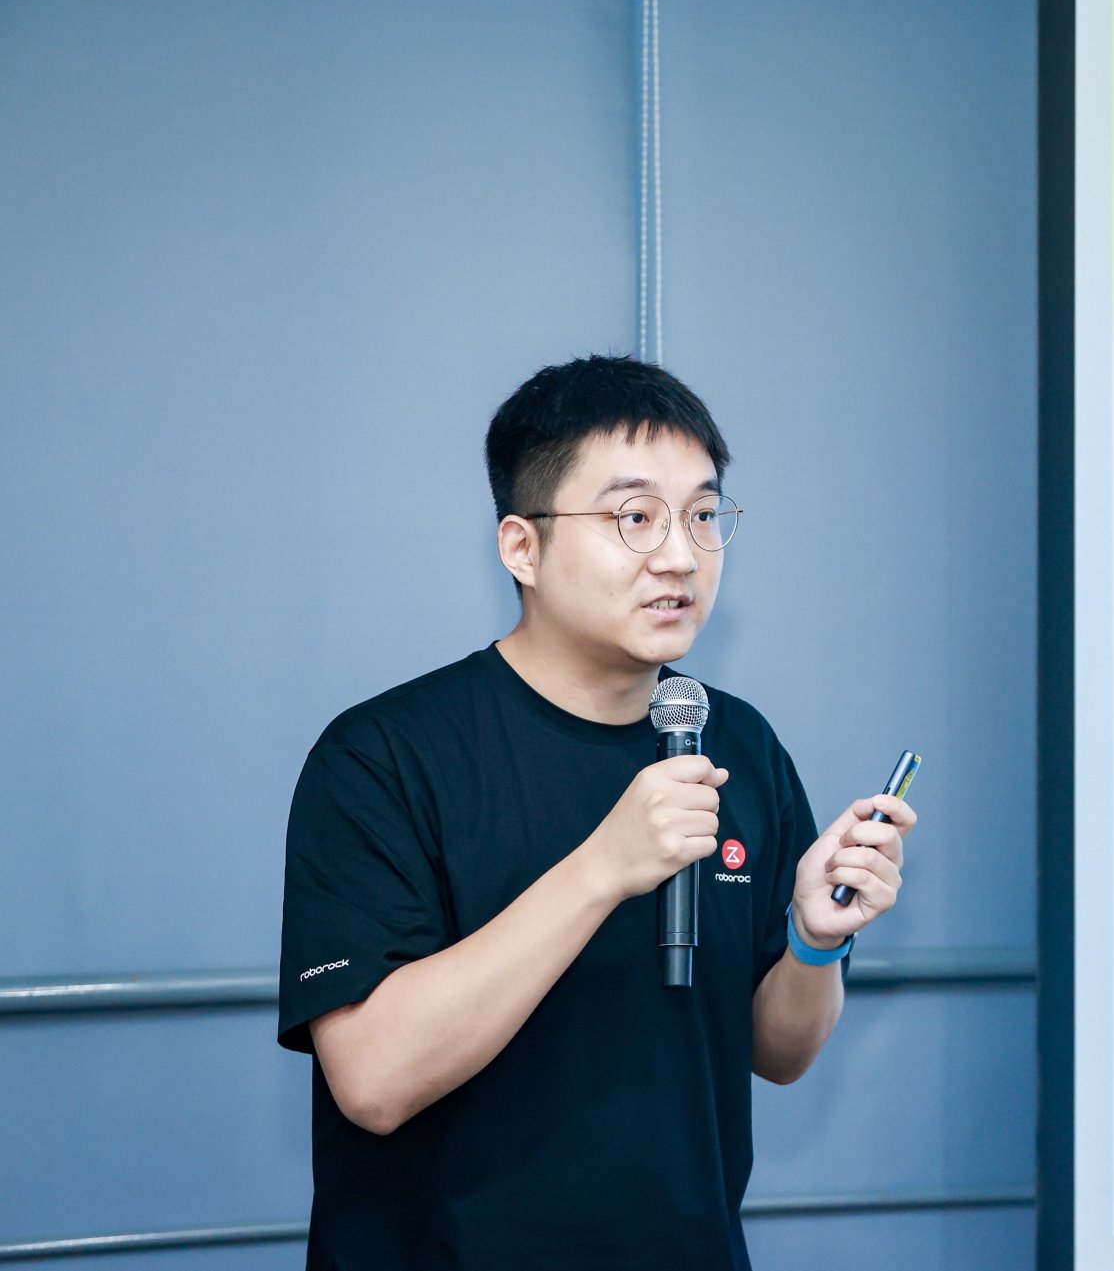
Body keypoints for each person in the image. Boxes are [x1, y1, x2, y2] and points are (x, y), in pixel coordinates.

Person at [275, 354, 915, 1269]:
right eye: (634, 517)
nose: (680, 555)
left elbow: (778, 1052)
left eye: (703, 515)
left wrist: (813, 941)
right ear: (521, 548)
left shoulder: (737, 743)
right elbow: (374, 1079)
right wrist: (604, 867)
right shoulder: (382, 756)